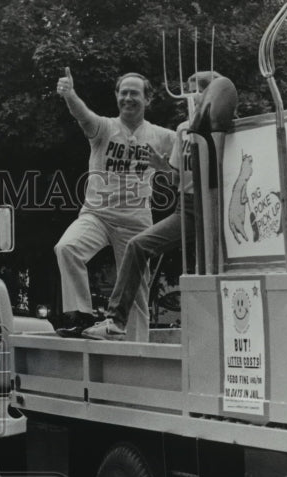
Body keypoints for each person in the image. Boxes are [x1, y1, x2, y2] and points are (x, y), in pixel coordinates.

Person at [84, 71, 222, 340]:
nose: (189, 97)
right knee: (138, 246)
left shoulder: (222, 127)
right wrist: (162, 167)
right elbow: (178, 181)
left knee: (209, 270)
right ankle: (116, 321)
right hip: (191, 207)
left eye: (196, 90)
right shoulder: (184, 130)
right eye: (187, 90)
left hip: (219, 207)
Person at [54, 69, 176, 341]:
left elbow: (184, 167)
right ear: (117, 97)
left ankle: (138, 353)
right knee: (67, 247)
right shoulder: (104, 129)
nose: (128, 98)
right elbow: (83, 116)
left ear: (147, 99)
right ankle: (80, 315)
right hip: (97, 215)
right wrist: (70, 94)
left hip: (135, 221)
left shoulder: (161, 136)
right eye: (124, 92)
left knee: (138, 293)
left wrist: (163, 167)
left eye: (135, 93)